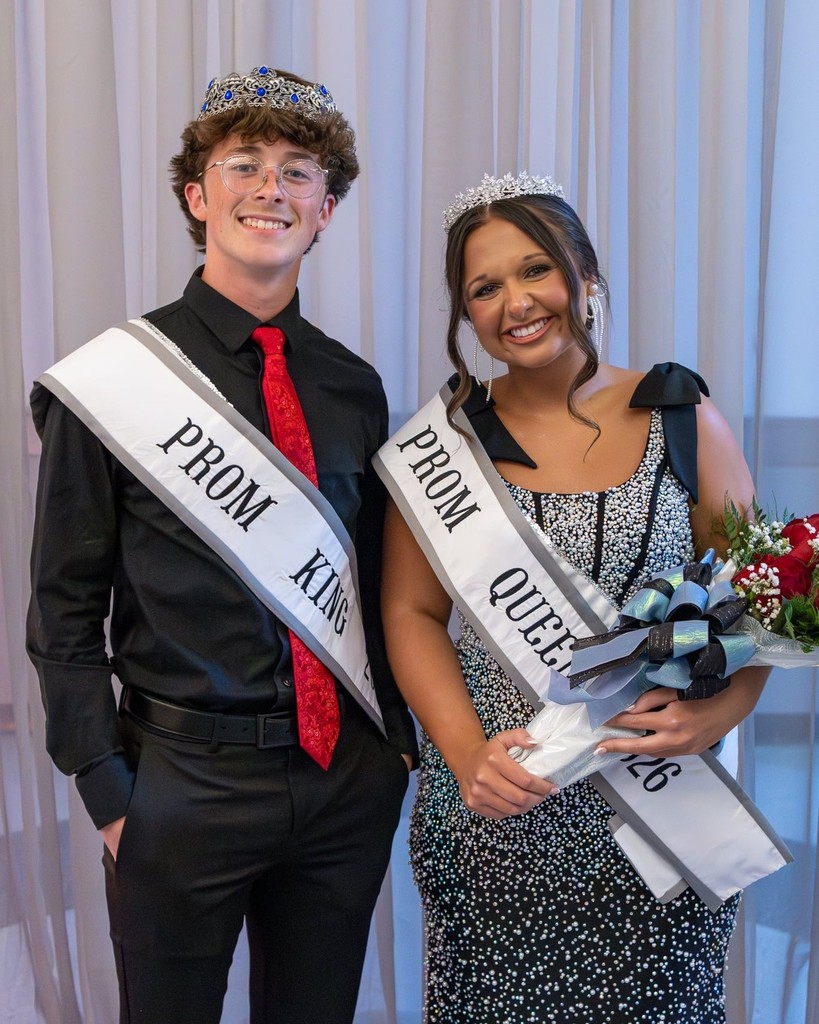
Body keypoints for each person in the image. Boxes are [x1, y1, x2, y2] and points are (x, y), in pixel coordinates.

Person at [27, 66, 416, 1024]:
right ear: (199, 197)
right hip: (179, 784)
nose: (269, 189)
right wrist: (107, 788)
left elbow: (374, 581)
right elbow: (62, 605)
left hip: (341, 786)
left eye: (297, 171)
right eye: (243, 164)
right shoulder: (114, 382)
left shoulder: (350, 385)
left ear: (325, 209)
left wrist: (393, 751)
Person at [378, 172, 770, 1023]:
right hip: (500, 810)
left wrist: (720, 714)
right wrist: (464, 752)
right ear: (465, 314)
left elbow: (757, 595)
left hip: (661, 817)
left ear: (584, 277)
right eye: (483, 287)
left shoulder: (678, 414)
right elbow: (410, 614)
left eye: (535, 270)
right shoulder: (440, 446)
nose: (514, 302)